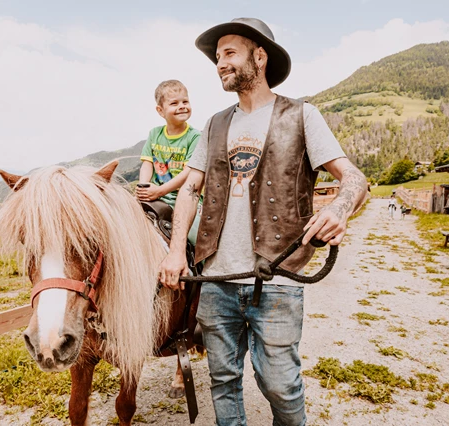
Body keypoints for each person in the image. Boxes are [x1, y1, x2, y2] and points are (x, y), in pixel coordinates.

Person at [158, 18, 368, 426]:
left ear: (259, 55)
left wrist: (338, 209)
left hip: (278, 278)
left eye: (229, 53)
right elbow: (189, 189)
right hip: (215, 280)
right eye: (217, 57)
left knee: (279, 385)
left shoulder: (302, 115)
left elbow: (355, 178)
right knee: (222, 380)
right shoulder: (215, 124)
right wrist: (174, 252)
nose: (220, 63)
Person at [136, 80, 202, 244]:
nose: (182, 106)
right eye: (174, 103)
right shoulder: (155, 134)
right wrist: (144, 188)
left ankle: (201, 266)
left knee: (197, 236)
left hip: (185, 197)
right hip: (156, 195)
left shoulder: (194, 137)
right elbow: (147, 163)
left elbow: (188, 172)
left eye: (185, 101)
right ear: (160, 110)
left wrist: (160, 191)